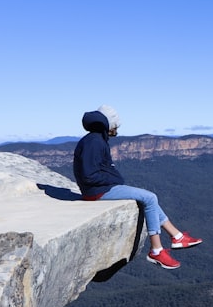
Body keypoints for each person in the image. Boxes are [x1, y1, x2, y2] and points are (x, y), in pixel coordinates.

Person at [73, 105, 202, 269]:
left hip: (102, 188)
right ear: (108, 124)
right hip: (97, 191)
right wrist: (113, 177)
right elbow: (88, 174)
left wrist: (112, 177)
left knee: (148, 199)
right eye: (115, 126)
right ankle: (156, 250)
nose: (116, 130)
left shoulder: (96, 139)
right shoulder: (94, 142)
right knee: (150, 197)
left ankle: (177, 236)